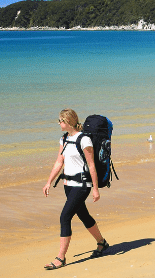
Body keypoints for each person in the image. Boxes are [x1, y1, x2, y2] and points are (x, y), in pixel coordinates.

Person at [41, 108, 109, 270]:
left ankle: (60, 258)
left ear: (69, 122)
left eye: (61, 121)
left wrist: (95, 189)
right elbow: (59, 162)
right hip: (68, 185)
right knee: (83, 215)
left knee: (65, 217)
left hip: (82, 185)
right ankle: (102, 243)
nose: (59, 123)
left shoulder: (84, 140)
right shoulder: (63, 139)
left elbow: (91, 165)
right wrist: (48, 182)